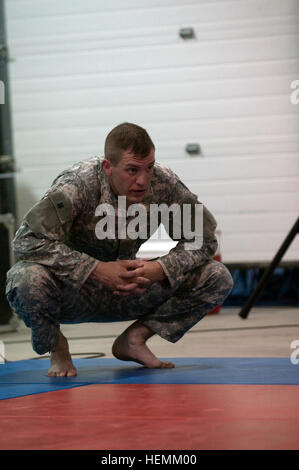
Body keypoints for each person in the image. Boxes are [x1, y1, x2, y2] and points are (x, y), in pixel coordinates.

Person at [5, 122, 233, 376]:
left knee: (216, 275)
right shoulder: (79, 184)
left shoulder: (164, 183)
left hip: (130, 286)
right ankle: (58, 348)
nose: (143, 180)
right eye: (132, 170)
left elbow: (203, 237)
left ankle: (133, 340)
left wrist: (160, 268)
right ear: (108, 167)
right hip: (73, 291)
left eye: (149, 168)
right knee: (24, 278)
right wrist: (95, 269)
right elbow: (26, 240)